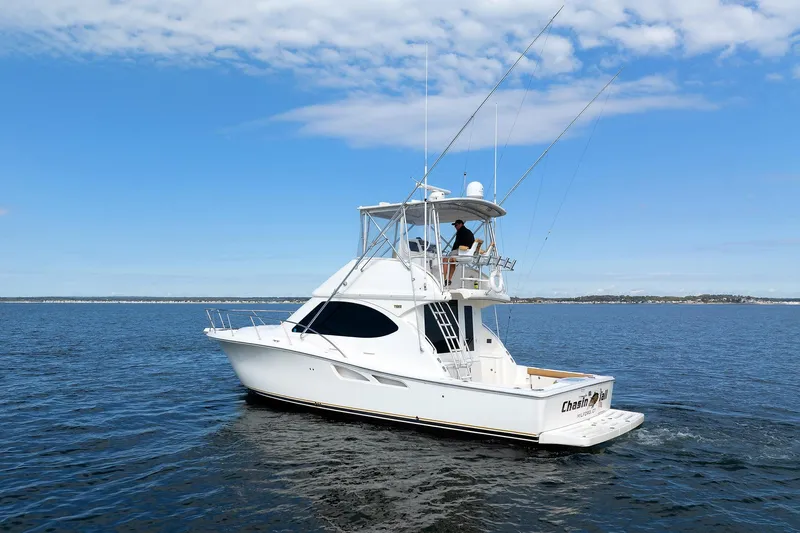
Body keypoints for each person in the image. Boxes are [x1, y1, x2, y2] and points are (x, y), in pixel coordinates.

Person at [444, 219, 474, 286]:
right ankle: (449, 279)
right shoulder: (469, 232)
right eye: (455, 226)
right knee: (452, 260)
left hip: (462, 251)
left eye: (456, 225)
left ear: (461, 224)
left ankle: (444, 279)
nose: (455, 227)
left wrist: (452, 251)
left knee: (445, 259)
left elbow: (457, 244)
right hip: (468, 252)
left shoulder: (460, 231)